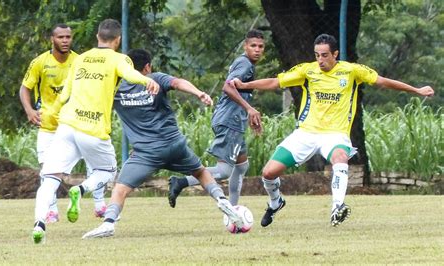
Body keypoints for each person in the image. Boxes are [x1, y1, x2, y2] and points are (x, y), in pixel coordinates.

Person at [231, 33, 435, 227]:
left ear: (335, 54)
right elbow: (275, 81)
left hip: (335, 134)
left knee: (340, 158)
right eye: (317, 55)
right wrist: (245, 85)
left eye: (325, 55)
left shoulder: (352, 70)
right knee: (268, 172)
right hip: (306, 133)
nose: (320, 60)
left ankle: (337, 207)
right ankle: (276, 202)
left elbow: (382, 81)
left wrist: (416, 90)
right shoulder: (307, 70)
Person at [82, 49, 244, 239]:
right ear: (147, 67)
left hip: (146, 153)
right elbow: (178, 82)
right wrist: (199, 93)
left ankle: (108, 223)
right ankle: (221, 199)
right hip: (175, 144)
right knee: (201, 172)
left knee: (120, 189)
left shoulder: (117, 90)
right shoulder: (155, 78)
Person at [32, 19, 160, 244]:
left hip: (67, 125)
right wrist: (147, 81)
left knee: (50, 177)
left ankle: (39, 224)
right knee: (107, 171)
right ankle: (80, 191)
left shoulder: (79, 59)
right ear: (118, 40)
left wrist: (48, 112)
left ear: (97, 37)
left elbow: (64, 95)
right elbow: (130, 74)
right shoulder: (119, 59)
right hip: (92, 129)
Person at [19, 24, 106, 224]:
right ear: (52, 39)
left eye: (68, 37)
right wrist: (30, 110)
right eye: (61, 37)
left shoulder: (80, 60)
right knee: (47, 169)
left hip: (76, 123)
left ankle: (99, 205)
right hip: (48, 125)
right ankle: (51, 211)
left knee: (95, 162)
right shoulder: (40, 62)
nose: (65, 40)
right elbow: (25, 88)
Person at [168, 29, 265, 208]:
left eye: (260, 46)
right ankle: (181, 182)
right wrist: (250, 109)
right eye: (253, 46)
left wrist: (246, 113)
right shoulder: (245, 65)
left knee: (241, 165)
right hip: (231, 121)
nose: (257, 50)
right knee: (224, 171)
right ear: (245, 46)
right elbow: (227, 87)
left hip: (231, 119)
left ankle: (234, 209)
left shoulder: (242, 62)